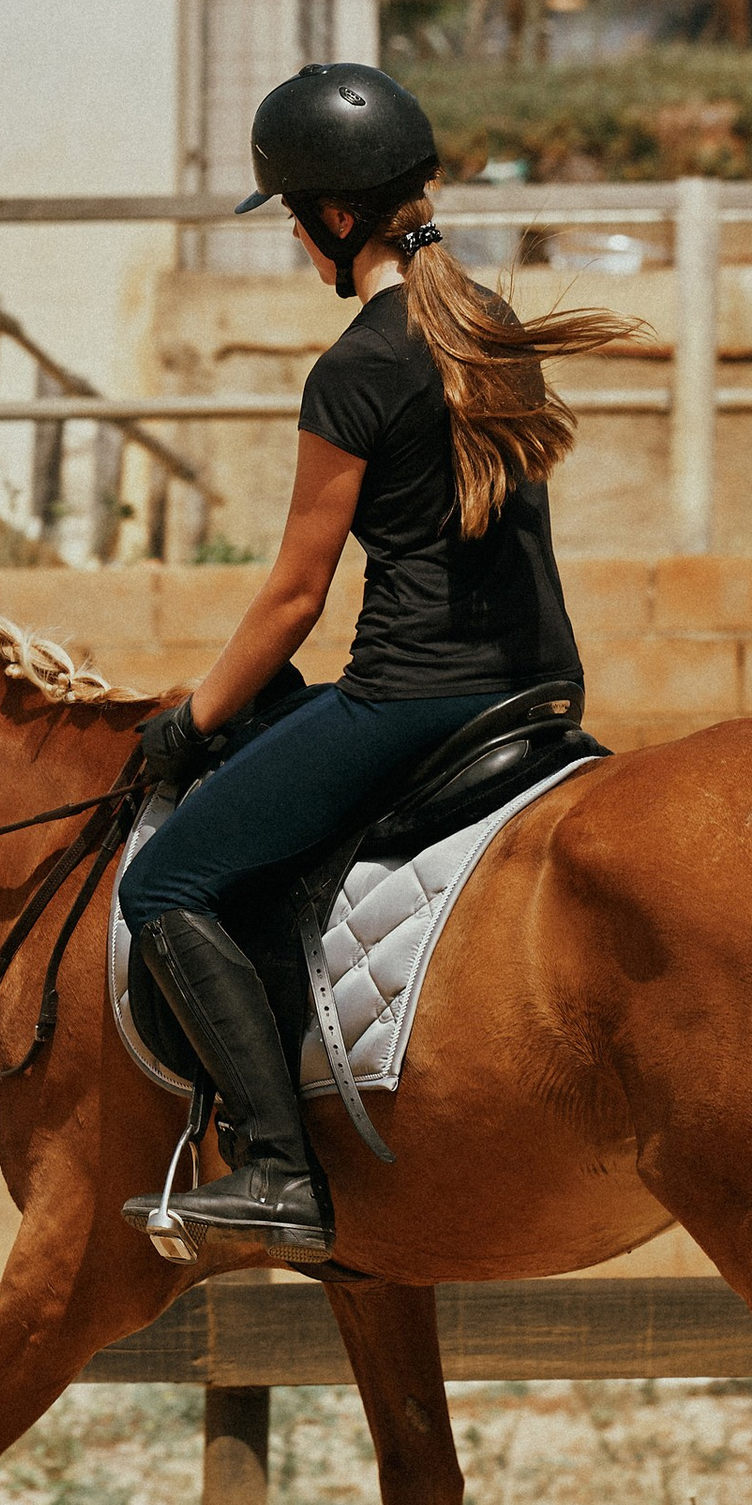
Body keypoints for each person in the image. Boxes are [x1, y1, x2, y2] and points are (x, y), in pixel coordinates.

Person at [119, 62, 635, 1255]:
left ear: (333, 220)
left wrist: (192, 719)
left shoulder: (356, 364)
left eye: (296, 219)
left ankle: (278, 1175)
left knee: (165, 884)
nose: (299, 242)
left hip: (413, 695)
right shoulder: (483, 326)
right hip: (534, 688)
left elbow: (295, 592)